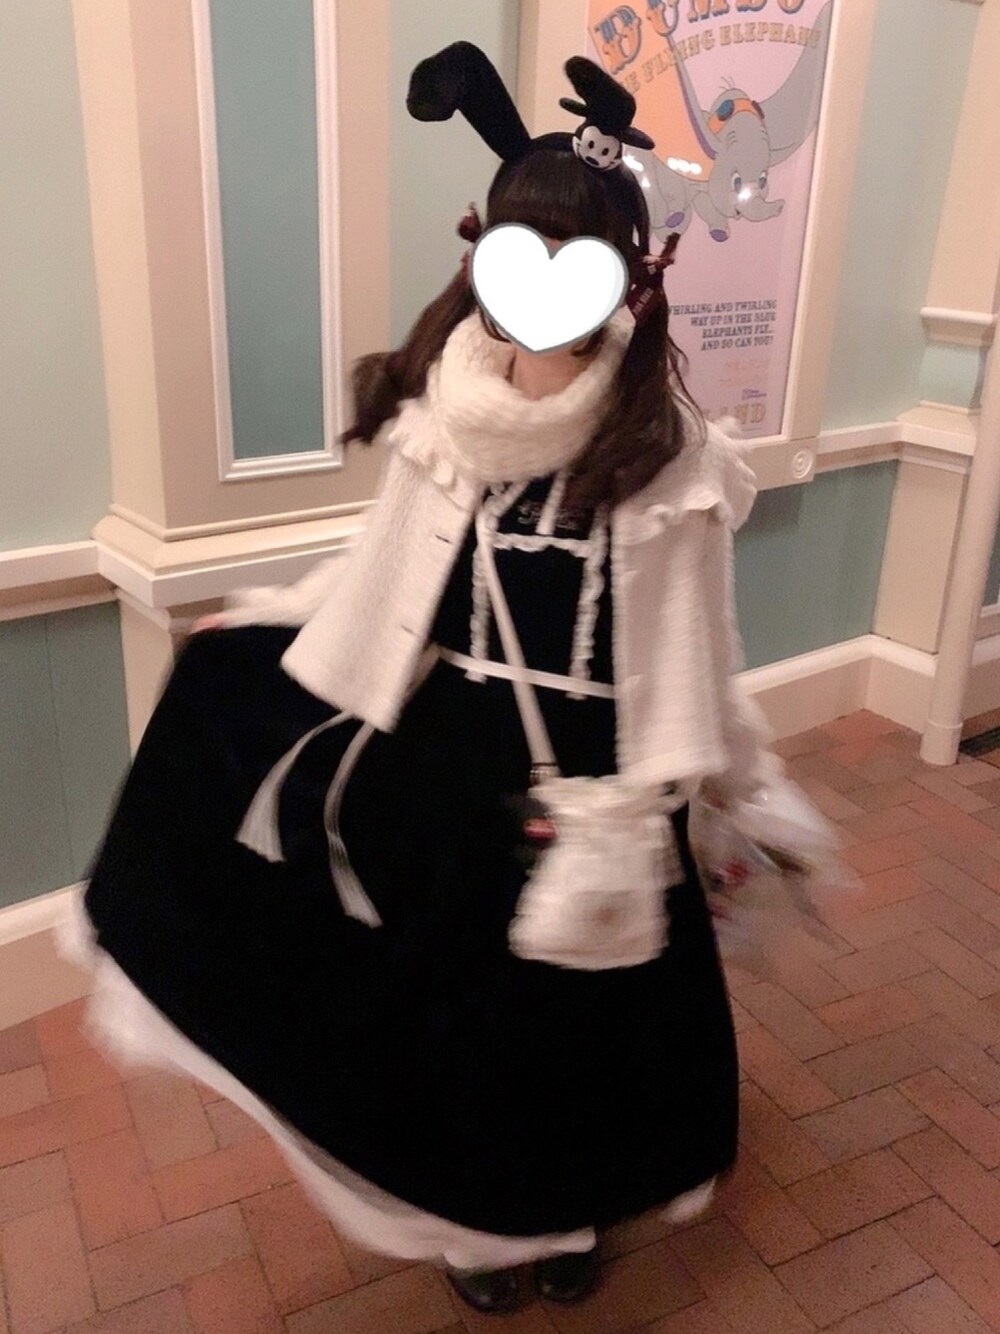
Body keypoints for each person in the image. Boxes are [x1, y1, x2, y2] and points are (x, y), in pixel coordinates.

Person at [61, 43, 792, 1315]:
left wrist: (737, 780)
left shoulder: (668, 457)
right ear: (480, 257)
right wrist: (262, 623)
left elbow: (694, 650)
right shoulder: (444, 420)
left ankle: (570, 1210)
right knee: (461, 1023)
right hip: (449, 768)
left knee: (584, 1022)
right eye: (520, 255)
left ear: (629, 275)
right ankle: (479, 1225)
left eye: (574, 261)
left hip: (604, 780)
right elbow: (377, 577)